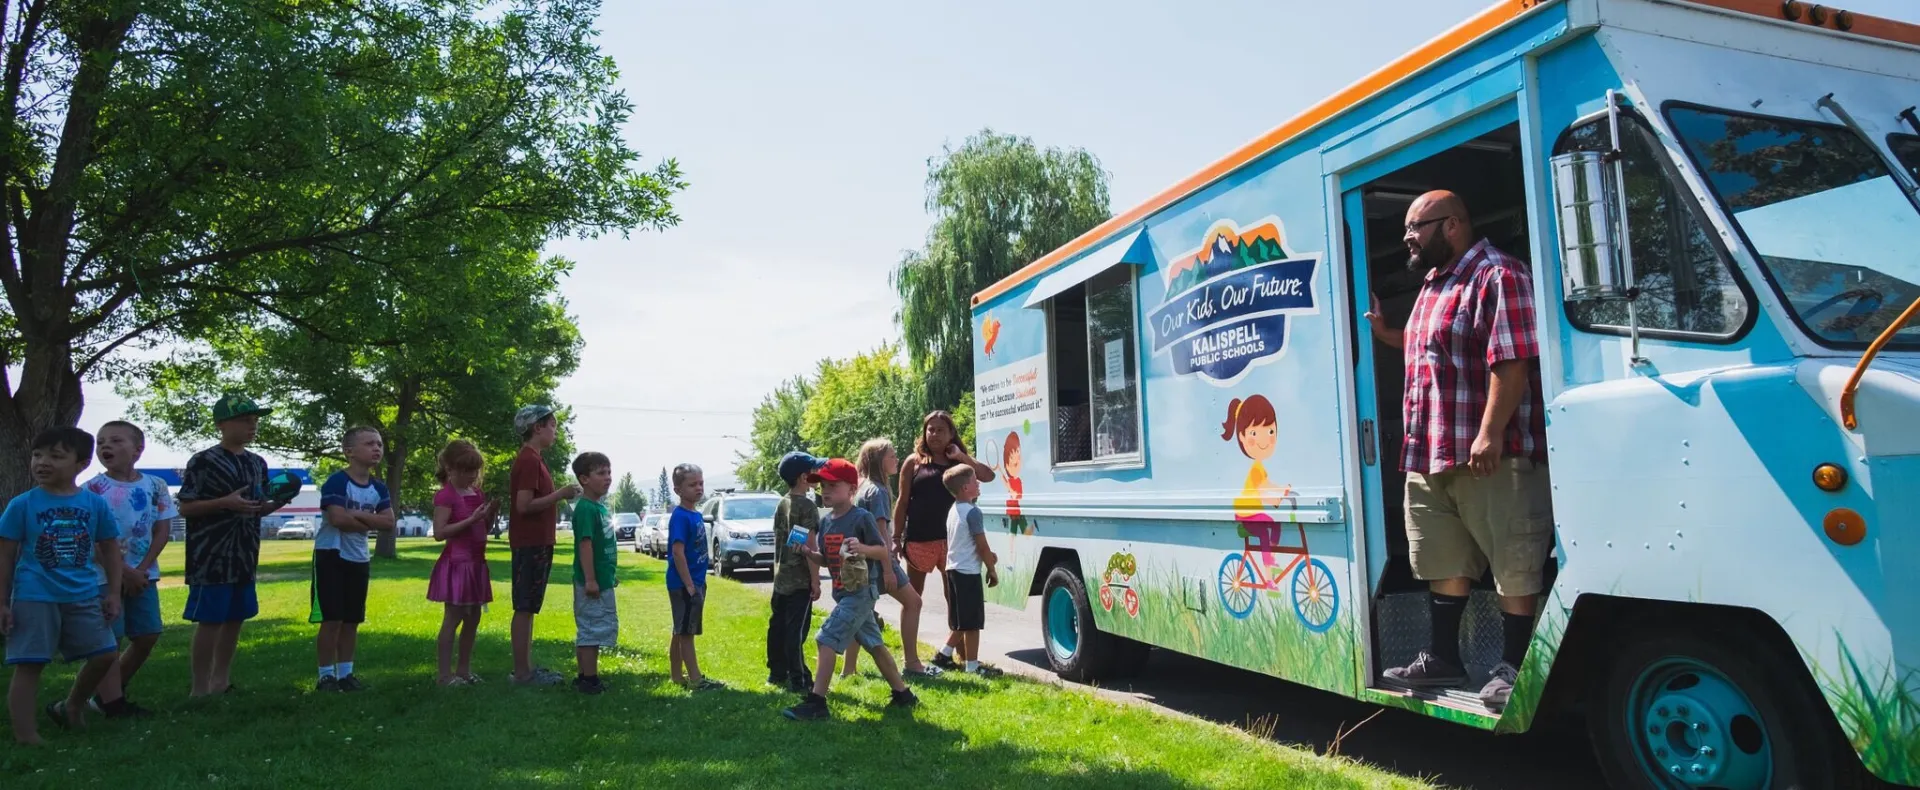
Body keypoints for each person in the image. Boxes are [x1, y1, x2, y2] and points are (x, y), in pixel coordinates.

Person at [1365, 190, 1552, 708]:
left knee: (1514, 561)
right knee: (1441, 557)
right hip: (1431, 453)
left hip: (1492, 455)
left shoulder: (1499, 274)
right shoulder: (1432, 284)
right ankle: (1443, 657)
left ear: (1452, 224)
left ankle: (1514, 666)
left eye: (1415, 226)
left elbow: (1511, 360)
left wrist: (1490, 431)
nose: (1407, 237)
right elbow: (1429, 345)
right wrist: (1386, 335)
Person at [0, 428, 123, 743]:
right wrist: (3, 601)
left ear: (81, 464)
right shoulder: (22, 505)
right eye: (37, 455)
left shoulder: (94, 505)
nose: (42, 462)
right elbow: (6, 555)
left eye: (56, 456)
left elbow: (110, 548)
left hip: (83, 593)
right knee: (30, 664)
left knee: (105, 654)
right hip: (33, 595)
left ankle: (71, 706)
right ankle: (27, 736)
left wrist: (112, 593)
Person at [783, 458, 918, 721]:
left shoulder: (861, 517)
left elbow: (881, 551)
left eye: (833, 485)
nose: (826, 491)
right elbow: (827, 559)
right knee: (875, 644)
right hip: (844, 593)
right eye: (823, 486)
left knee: (825, 639)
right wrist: (809, 552)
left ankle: (817, 702)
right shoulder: (827, 522)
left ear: (852, 489)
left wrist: (864, 549)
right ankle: (904, 695)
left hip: (860, 593)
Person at [177, 393, 289, 697]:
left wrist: (277, 502)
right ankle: (199, 688)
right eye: (244, 421)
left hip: (244, 553)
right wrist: (225, 503)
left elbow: (255, 507)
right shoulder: (204, 460)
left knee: (236, 618)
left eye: (254, 421)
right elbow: (186, 507)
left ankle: (221, 681)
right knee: (210, 620)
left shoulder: (257, 463)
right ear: (222, 424)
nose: (252, 427)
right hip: (211, 555)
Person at [82, 421, 177, 718]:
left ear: (138, 449)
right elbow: (91, 538)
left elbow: (162, 529)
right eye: (100, 442)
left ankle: (108, 691)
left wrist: (143, 569)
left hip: (143, 575)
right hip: (103, 576)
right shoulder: (92, 490)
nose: (105, 446)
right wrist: (123, 571)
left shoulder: (155, 486)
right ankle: (112, 703)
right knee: (110, 639)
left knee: (147, 634)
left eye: (115, 440)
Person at [892, 411, 994, 673]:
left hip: (953, 543)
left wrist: (960, 456)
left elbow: (987, 475)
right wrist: (895, 537)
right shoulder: (913, 463)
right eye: (930, 429)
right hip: (918, 540)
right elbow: (902, 501)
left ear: (951, 434)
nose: (934, 434)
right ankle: (911, 659)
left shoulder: (956, 464)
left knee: (956, 600)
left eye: (940, 430)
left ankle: (962, 659)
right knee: (912, 598)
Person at [843, 437, 939, 679]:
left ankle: (848, 670)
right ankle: (912, 663)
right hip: (878, 560)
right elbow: (879, 535)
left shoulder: (862, 486)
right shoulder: (877, 491)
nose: (897, 460)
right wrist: (888, 568)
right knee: (913, 602)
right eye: (892, 456)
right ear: (878, 461)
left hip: (862, 561)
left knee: (862, 612)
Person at [313, 426, 394, 692]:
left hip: (359, 558)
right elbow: (337, 519)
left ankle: (346, 674)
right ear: (349, 452)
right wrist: (371, 521)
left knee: (351, 620)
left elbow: (389, 522)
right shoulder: (337, 482)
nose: (377, 449)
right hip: (331, 555)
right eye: (370, 444)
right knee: (332, 618)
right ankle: (326, 676)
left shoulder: (379, 488)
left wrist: (357, 518)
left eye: (379, 444)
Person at [507, 405, 581, 686]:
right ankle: (522, 673)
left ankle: (526, 668)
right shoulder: (528, 460)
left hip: (537, 541)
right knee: (525, 606)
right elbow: (523, 505)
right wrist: (560, 494)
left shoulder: (534, 459)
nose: (556, 430)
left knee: (529, 605)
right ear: (537, 427)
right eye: (552, 424)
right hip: (530, 542)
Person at [428, 439, 494, 687]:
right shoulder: (446, 496)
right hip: (457, 564)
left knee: (473, 617)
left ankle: (463, 670)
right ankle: (444, 676)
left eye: (475, 470)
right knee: (453, 618)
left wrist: (489, 515)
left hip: (477, 563)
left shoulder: (477, 493)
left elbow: (482, 527)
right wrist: (471, 520)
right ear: (450, 468)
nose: (471, 475)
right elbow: (440, 532)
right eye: (466, 470)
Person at [768, 451, 824, 692]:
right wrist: (815, 581)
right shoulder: (807, 507)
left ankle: (776, 672)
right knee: (796, 632)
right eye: (814, 472)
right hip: (799, 580)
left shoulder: (783, 502)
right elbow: (808, 546)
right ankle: (798, 678)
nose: (818, 476)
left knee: (777, 626)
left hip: (781, 578)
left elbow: (789, 538)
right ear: (804, 477)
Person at [941, 464, 1001, 677]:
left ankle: (944, 655)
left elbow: (966, 543)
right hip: (968, 572)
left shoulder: (953, 510)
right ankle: (972, 666)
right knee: (972, 623)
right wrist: (991, 568)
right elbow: (981, 545)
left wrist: (987, 555)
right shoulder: (973, 512)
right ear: (966, 488)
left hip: (953, 568)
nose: (978, 484)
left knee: (961, 619)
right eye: (975, 481)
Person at [666, 463, 721, 691]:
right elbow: (677, 553)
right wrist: (690, 586)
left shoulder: (695, 514)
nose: (698, 488)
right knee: (687, 632)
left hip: (695, 582)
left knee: (680, 630)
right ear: (678, 489)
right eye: (692, 485)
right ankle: (697, 679)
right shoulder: (680, 516)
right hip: (685, 584)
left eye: (701, 483)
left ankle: (677, 676)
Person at [569, 452, 618, 695]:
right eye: (601, 473)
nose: (607, 478)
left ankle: (584, 676)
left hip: (602, 578)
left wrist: (609, 574)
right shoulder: (586, 509)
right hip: (591, 581)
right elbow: (585, 545)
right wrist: (590, 579)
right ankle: (589, 679)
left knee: (593, 627)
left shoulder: (598, 507)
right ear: (584, 479)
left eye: (609, 472)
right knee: (591, 629)